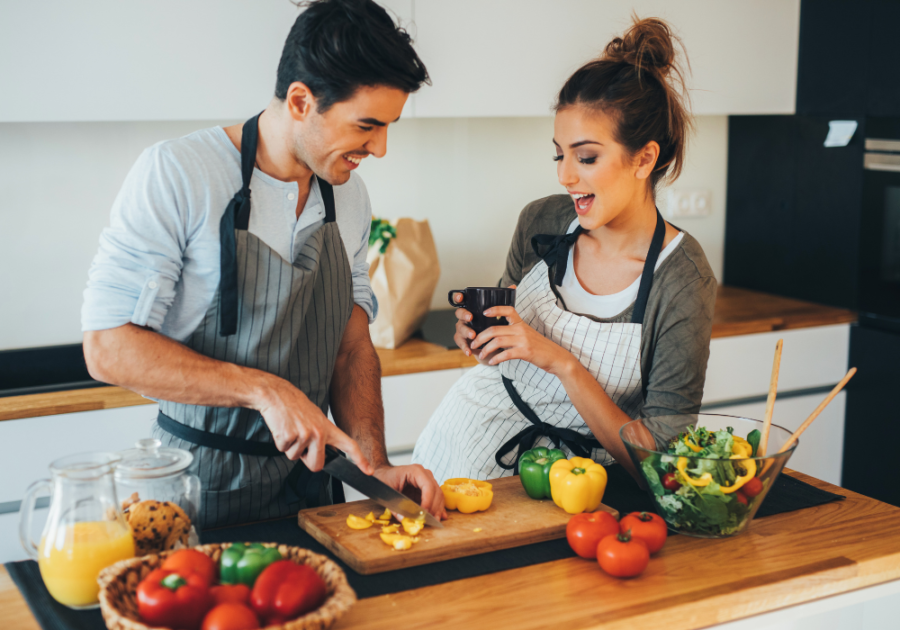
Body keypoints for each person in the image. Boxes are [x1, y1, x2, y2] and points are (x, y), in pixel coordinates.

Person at [82, 0, 445, 528]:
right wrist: (266, 390)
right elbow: (107, 348)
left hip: (311, 490)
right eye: (367, 125)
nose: (380, 147)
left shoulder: (349, 197)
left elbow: (349, 346)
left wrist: (374, 464)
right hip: (196, 488)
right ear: (301, 100)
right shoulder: (180, 173)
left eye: (388, 126)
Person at [413, 17, 716, 483]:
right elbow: (505, 330)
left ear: (645, 158)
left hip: (582, 480)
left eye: (586, 157)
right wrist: (481, 338)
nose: (565, 176)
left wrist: (560, 361)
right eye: (560, 154)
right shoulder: (542, 220)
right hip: (471, 437)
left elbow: (662, 462)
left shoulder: (682, 280)